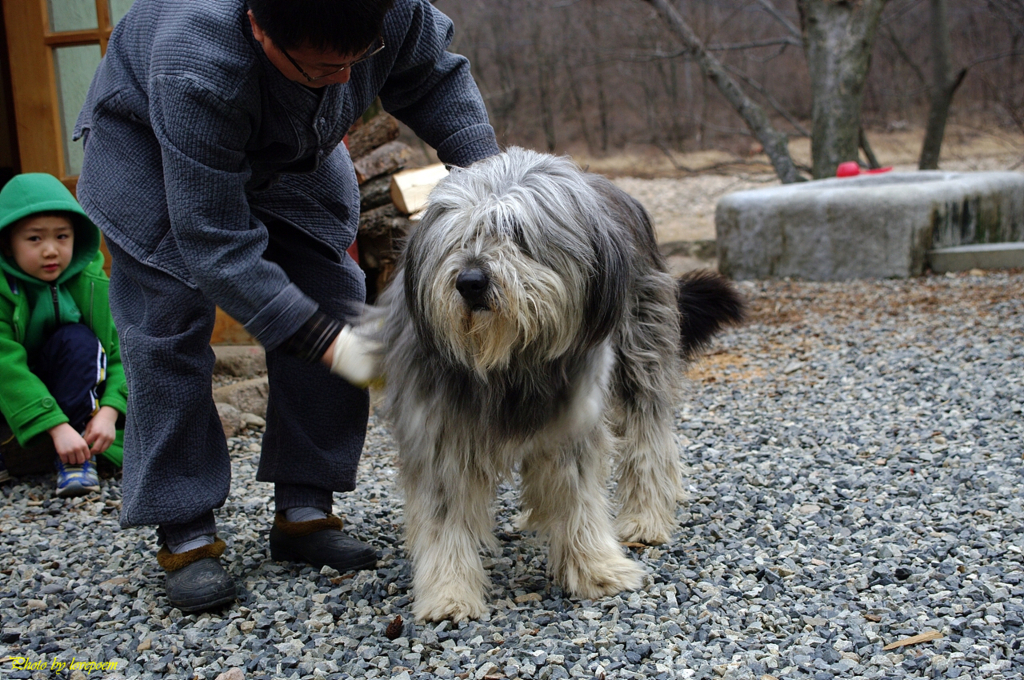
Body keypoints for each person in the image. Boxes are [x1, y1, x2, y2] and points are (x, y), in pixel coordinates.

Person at [74, 0, 499, 613]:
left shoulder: (389, 11)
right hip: (153, 152)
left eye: (361, 60)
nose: (348, 80)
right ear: (258, 25)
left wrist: (491, 184)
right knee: (168, 328)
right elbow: (217, 245)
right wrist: (330, 345)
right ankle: (185, 533)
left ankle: (305, 511)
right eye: (325, 66)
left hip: (297, 148)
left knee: (335, 294)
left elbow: (434, 79)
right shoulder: (197, 60)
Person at [0, 173, 127, 497]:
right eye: (34, 239)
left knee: (79, 341)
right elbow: (6, 366)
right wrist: (55, 427)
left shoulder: (92, 282)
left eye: (62, 236)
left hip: (72, 387)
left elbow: (119, 350)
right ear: (8, 245)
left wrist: (110, 412)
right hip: (15, 395)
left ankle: (76, 457)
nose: (50, 250)